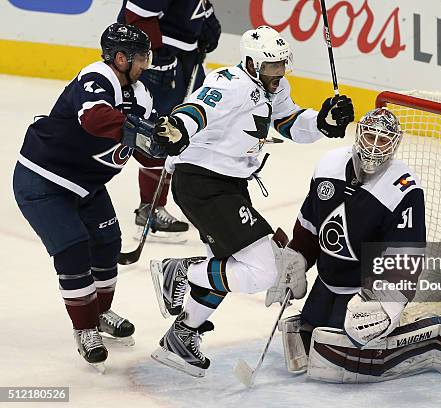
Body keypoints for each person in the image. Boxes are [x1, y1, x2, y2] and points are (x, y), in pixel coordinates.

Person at [148, 25, 355, 377]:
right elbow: (199, 109)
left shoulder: (273, 86)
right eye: (270, 67)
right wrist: (179, 128)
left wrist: (322, 122)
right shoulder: (230, 83)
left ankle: (182, 336)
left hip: (227, 186)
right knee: (263, 269)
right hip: (204, 184)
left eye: (281, 66)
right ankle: (179, 271)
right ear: (250, 62)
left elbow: (288, 122)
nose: (278, 74)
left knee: (225, 266)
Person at [270, 108, 441, 382]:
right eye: (370, 136)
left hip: (366, 289)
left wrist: (387, 301)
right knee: (307, 338)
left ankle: (437, 335)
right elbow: (310, 222)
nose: (373, 146)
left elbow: (406, 253)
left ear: (394, 144)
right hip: (330, 279)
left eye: (382, 140)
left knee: (346, 356)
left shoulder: (403, 187)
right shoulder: (328, 164)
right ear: (359, 135)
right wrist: (297, 257)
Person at [12, 23, 163, 370]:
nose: (145, 64)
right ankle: (85, 329)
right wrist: (145, 131)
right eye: (140, 57)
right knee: (74, 248)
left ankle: (100, 311)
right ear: (120, 58)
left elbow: (147, 150)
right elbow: (95, 119)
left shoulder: (141, 94)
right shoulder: (97, 76)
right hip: (43, 180)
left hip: (86, 184)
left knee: (108, 242)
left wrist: (173, 145)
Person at [118, 0, 222, 241]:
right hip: (159, 62)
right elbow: (138, 16)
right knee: (159, 133)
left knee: (199, 128)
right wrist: (156, 57)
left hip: (184, 57)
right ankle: (149, 209)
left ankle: (198, 203)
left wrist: (207, 23)